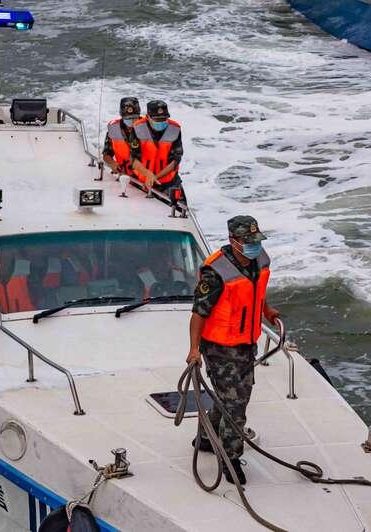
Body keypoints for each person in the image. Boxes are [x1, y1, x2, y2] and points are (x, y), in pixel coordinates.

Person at [186, 215, 280, 485]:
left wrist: (267, 311)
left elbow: (255, 292)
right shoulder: (216, 273)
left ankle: (205, 439)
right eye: (248, 242)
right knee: (236, 404)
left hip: (245, 343)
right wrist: (194, 350)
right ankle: (230, 457)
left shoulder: (259, 260)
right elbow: (198, 314)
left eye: (256, 240)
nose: (254, 246)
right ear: (233, 241)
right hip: (219, 348)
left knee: (232, 398)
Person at [132, 100, 185, 198]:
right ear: (147, 117)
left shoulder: (175, 129)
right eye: (157, 120)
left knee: (180, 210)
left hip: (169, 182)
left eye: (164, 119)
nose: (161, 122)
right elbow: (133, 159)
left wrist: (155, 177)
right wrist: (148, 174)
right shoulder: (137, 128)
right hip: (142, 182)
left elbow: (176, 160)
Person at [102, 97, 142, 176]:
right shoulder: (114, 129)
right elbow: (106, 154)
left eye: (134, 118)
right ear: (122, 116)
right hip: (124, 176)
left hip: (146, 177)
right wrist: (112, 163)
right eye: (128, 118)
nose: (132, 121)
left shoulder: (148, 128)